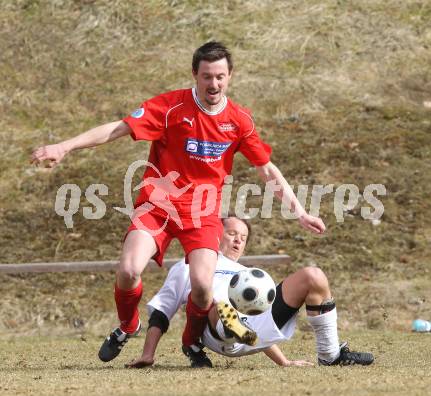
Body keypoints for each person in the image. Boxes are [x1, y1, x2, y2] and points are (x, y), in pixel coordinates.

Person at [30, 42, 326, 366]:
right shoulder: (171, 107)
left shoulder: (239, 121)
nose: (213, 84)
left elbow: (267, 169)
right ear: (195, 75)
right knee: (128, 270)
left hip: (201, 212)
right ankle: (128, 325)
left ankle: (191, 342)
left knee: (201, 286)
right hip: (157, 206)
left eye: (220, 77)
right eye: (207, 77)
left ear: (230, 76)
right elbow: (118, 128)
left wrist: (299, 211)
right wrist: (65, 146)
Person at [126, 216, 373, 368]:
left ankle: (330, 356)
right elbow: (161, 312)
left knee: (313, 276)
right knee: (215, 299)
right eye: (232, 233)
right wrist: (148, 354)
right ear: (214, 233)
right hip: (217, 333)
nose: (238, 241)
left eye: (243, 237)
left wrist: (284, 362)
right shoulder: (188, 265)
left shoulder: (249, 275)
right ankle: (236, 326)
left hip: (250, 332)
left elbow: (261, 317)